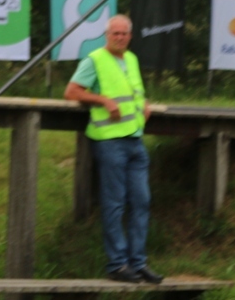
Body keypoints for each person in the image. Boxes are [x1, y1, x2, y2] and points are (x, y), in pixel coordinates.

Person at [63, 15, 163, 284]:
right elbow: (71, 91)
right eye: (114, 33)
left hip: (135, 138)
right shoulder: (95, 59)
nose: (119, 37)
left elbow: (133, 92)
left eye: (123, 34)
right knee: (114, 203)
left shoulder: (131, 59)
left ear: (130, 36)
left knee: (142, 201)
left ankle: (138, 262)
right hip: (109, 141)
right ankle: (118, 265)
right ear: (106, 35)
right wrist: (102, 100)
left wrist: (145, 104)